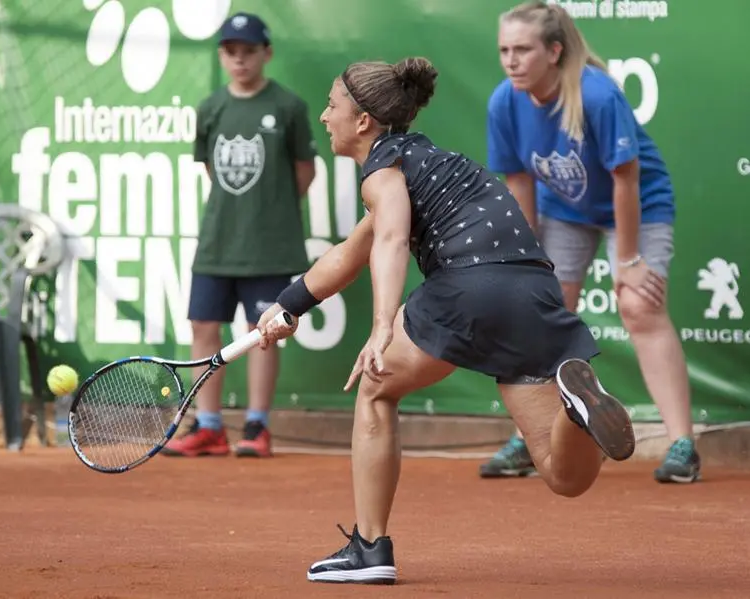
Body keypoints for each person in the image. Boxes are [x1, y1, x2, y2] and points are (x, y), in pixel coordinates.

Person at [255, 56, 636, 585]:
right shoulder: (428, 162)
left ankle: (370, 549)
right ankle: (576, 413)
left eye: (332, 105)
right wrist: (288, 304)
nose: (324, 117)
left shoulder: (382, 171)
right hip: (532, 289)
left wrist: (383, 325)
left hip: (467, 287)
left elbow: (389, 241)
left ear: (363, 120)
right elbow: (350, 252)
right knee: (561, 475)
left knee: (375, 390)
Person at [478, 1, 699, 484]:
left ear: (554, 51)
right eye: (504, 50)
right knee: (543, 312)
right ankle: (536, 438)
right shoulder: (504, 101)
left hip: (638, 204)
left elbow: (626, 180)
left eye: (523, 49)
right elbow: (519, 181)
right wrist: (527, 254)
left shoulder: (597, 95)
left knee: (639, 305)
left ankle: (682, 443)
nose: (511, 60)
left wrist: (631, 260)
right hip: (563, 210)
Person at [160, 12, 317, 458]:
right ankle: (208, 426)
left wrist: (270, 211)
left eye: (249, 51)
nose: (240, 60)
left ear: (266, 54)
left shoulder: (288, 107)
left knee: (263, 331)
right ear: (221, 56)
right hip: (217, 242)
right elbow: (214, 170)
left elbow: (304, 172)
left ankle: (256, 426)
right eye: (231, 51)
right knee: (203, 326)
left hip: (270, 245)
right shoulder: (210, 108)